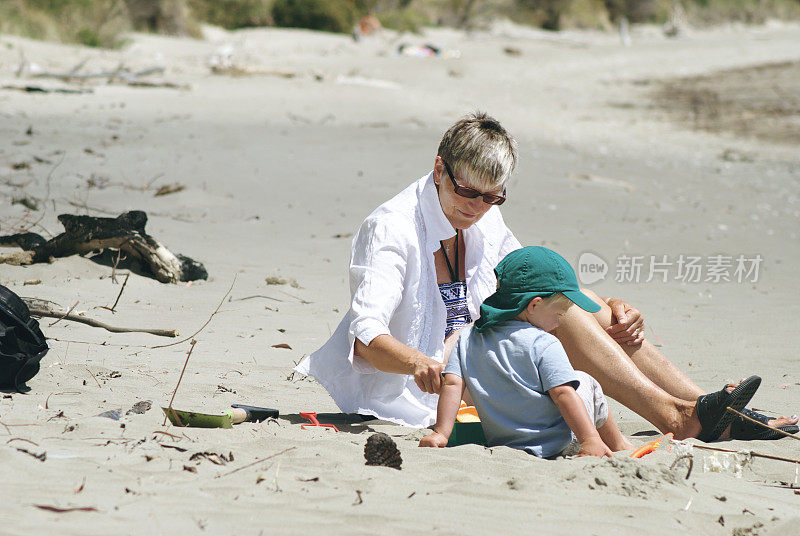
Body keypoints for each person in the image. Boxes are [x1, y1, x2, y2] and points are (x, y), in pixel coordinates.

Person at [295, 112, 798, 439]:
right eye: (469, 193)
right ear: (439, 169)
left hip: (479, 357)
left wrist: (610, 311)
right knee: (559, 313)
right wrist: (422, 365)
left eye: (494, 197)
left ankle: (706, 408)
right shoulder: (391, 230)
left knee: (571, 305)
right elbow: (365, 342)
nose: (478, 208)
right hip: (415, 389)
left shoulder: (484, 214)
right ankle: (677, 418)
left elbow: (534, 275)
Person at [419, 247, 761, 456]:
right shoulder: (543, 343)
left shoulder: (469, 340)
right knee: (585, 384)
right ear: (534, 305)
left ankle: (698, 407)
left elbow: (452, 386)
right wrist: (588, 441)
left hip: (504, 436)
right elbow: (564, 395)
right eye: (561, 310)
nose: (563, 318)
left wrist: (442, 433)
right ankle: (617, 443)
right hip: (554, 441)